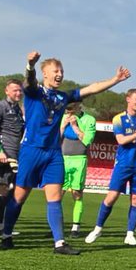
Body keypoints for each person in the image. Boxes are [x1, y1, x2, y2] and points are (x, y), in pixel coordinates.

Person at [0, 51, 131, 255]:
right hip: (31, 151)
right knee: (19, 196)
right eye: (55, 71)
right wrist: (29, 65)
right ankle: (6, 234)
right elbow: (29, 81)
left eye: (61, 71)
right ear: (45, 73)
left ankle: (59, 243)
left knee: (54, 197)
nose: (59, 74)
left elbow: (92, 89)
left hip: (52, 153)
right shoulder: (34, 92)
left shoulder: (63, 96)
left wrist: (115, 79)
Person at [85, 89, 136, 246]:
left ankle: (130, 234)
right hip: (123, 164)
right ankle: (98, 228)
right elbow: (121, 140)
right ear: (128, 99)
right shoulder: (118, 119)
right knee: (112, 197)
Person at [0, 79, 24, 234]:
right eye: (15, 90)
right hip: (3, 156)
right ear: (6, 91)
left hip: (15, 156)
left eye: (20, 90)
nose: (18, 93)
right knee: (2, 189)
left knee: (14, 191)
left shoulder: (17, 110)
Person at [60, 102, 96, 238]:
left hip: (79, 159)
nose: (69, 113)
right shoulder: (62, 118)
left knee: (77, 193)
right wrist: (63, 126)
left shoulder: (89, 120)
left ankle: (75, 227)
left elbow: (87, 140)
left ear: (79, 108)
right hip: (62, 159)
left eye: (71, 110)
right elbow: (54, 139)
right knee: (58, 193)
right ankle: (57, 225)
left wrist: (75, 126)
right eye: (67, 110)